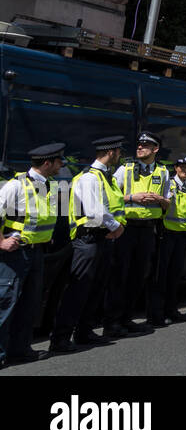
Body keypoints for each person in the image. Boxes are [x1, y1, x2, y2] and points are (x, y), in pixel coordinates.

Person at [49, 136, 127, 352]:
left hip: (101, 238)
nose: (119, 155)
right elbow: (95, 211)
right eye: (118, 152)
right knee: (78, 289)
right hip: (87, 239)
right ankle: (61, 338)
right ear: (111, 152)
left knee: (95, 288)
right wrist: (116, 227)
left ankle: (84, 331)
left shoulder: (105, 177)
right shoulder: (89, 178)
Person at [0, 142, 65, 366]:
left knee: (30, 305)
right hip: (15, 254)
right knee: (5, 304)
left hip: (38, 252)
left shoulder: (52, 186)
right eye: (59, 161)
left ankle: (20, 350)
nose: (62, 165)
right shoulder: (15, 185)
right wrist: (1, 242)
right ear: (47, 163)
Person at [104, 130, 170, 336]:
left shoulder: (163, 171)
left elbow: (169, 201)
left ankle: (127, 318)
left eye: (145, 145)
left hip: (148, 228)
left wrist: (159, 200)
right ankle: (112, 323)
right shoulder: (126, 169)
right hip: (127, 228)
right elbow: (109, 196)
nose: (140, 148)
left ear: (155, 149)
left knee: (138, 275)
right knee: (119, 275)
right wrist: (134, 197)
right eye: (139, 145)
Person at [152, 155, 186, 326]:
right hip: (166, 234)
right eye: (182, 166)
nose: (185, 170)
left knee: (175, 275)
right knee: (162, 276)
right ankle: (157, 314)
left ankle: (171, 310)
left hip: (183, 235)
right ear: (176, 168)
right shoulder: (169, 184)